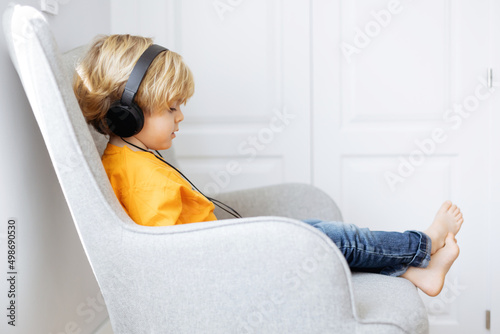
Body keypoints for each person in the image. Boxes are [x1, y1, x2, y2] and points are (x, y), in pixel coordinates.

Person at [73, 34, 463, 297]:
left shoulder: (129, 160)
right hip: (230, 270)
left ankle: (416, 273)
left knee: (324, 239)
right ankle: (423, 244)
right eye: (172, 108)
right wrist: (253, 245)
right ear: (127, 115)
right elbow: (171, 259)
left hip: (231, 255)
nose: (180, 118)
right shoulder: (143, 181)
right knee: (336, 239)